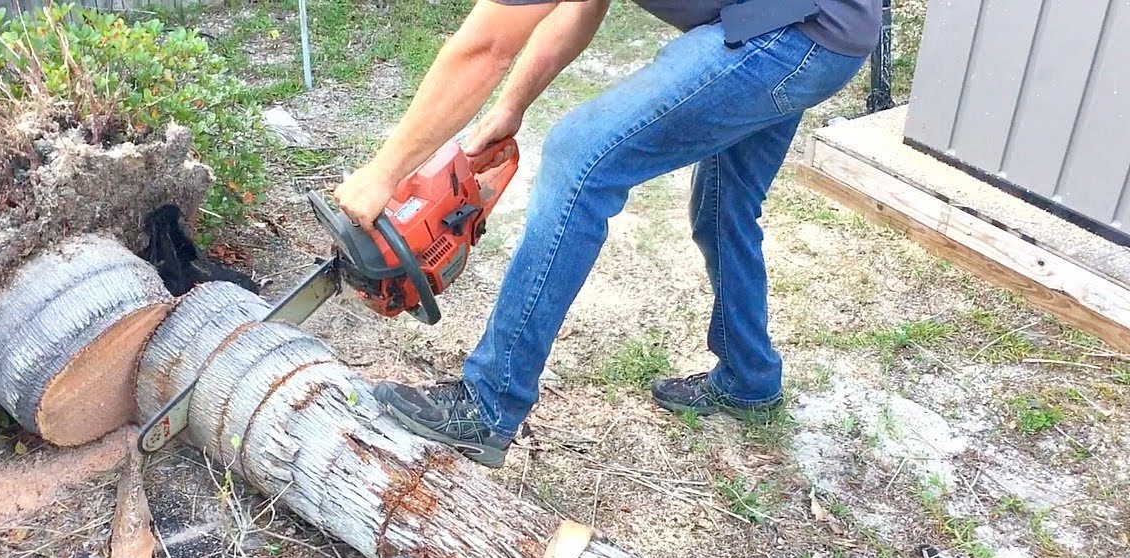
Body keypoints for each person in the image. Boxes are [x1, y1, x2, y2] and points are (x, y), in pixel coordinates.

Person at [333, 0, 881, 468]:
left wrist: (382, 175)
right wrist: (512, 107)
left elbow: (484, 48)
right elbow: (580, 6)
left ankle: (489, 403)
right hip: (824, 28)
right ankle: (749, 375)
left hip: (793, 32)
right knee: (726, 205)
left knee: (579, 158)